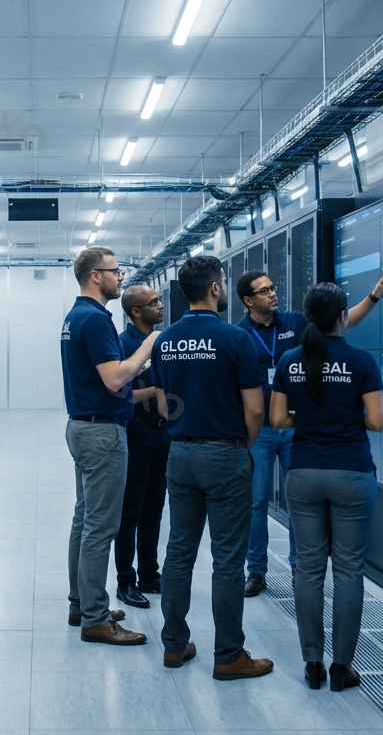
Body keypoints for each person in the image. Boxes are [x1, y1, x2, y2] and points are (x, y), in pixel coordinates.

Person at [236, 268, 383, 597]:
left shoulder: (296, 322)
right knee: (256, 504)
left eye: (273, 287)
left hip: (298, 429)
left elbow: (342, 321)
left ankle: (301, 565)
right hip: (262, 431)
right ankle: (256, 571)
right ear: (248, 300)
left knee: (302, 505)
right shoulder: (239, 334)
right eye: (264, 290)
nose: (272, 293)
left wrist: (375, 295)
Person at [151, 256, 274, 680]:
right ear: (217, 288)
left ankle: (173, 645)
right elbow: (256, 409)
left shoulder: (164, 341)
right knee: (227, 560)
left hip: (180, 454)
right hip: (226, 454)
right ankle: (228, 655)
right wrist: (241, 446)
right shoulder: (236, 339)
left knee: (179, 553)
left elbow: (165, 404)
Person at [270, 283, 383, 693]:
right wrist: (344, 417)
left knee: (308, 568)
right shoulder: (361, 362)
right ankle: (342, 668)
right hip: (352, 473)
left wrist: (312, 417)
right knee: (349, 570)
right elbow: (376, 422)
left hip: (303, 473)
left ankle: (312, 664)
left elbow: (280, 421)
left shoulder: (290, 360)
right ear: (342, 317)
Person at [61, 246, 157, 645]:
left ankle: (82, 603)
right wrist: (149, 346)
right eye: (116, 271)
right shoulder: (96, 319)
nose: (121, 277)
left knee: (85, 521)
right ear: (95, 276)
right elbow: (116, 379)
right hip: (102, 434)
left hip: (84, 427)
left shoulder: (76, 316)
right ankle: (97, 619)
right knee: (101, 526)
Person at [113, 285, 170, 610]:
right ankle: (126, 580)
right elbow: (119, 392)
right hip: (136, 432)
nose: (160, 306)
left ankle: (150, 574)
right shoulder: (124, 345)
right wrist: (157, 390)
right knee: (130, 512)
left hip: (163, 432)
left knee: (154, 510)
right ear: (136, 312)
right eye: (153, 303)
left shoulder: (161, 341)